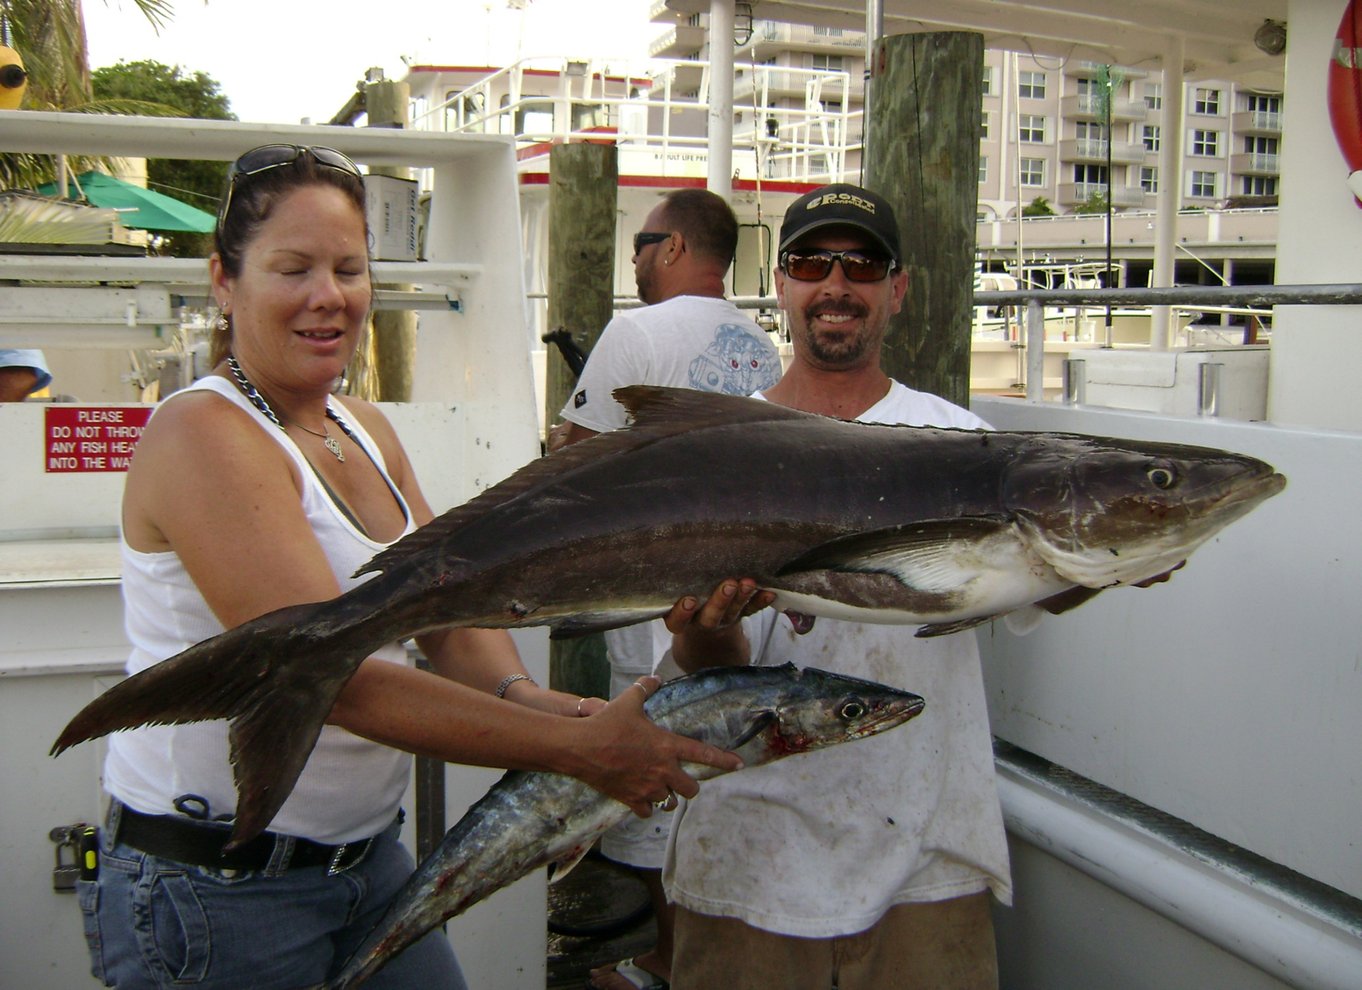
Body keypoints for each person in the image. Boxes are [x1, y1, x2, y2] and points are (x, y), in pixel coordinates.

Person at [77, 144, 742, 990]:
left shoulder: (363, 428)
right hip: (219, 890)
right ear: (222, 280)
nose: (329, 297)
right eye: (294, 269)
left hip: (365, 866)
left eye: (350, 269)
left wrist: (539, 702)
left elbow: (447, 615)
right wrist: (575, 748)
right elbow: (336, 679)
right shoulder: (201, 433)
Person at [660, 183, 1011, 990]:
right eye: (813, 262)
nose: (836, 285)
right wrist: (707, 623)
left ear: (899, 288)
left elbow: (1046, 583)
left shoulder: (963, 445)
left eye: (863, 264)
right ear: (781, 284)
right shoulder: (716, 452)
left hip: (928, 860)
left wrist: (1125, 552)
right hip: (747, 861)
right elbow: (703, 670)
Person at [555, 187, 782, 990]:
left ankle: (668, 960)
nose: (636, 258)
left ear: (679, 247)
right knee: (716, 762)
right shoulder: (764, 343)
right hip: (745, 593)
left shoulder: (635, 330)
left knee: (652, 763)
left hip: (655, 589)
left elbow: (572, 464)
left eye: (644, 242)